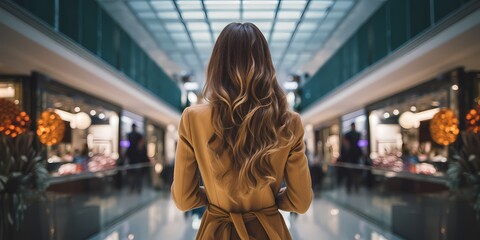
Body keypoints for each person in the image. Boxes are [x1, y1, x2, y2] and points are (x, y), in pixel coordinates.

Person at [171, 23, 313, 239]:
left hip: (217, 231)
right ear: (266, 63)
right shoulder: (288, 121)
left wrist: (214, 197)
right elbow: (300, 202)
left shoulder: (192, 118)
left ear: (217, 64)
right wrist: (270, 201)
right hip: (269, 231)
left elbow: (183, 199)